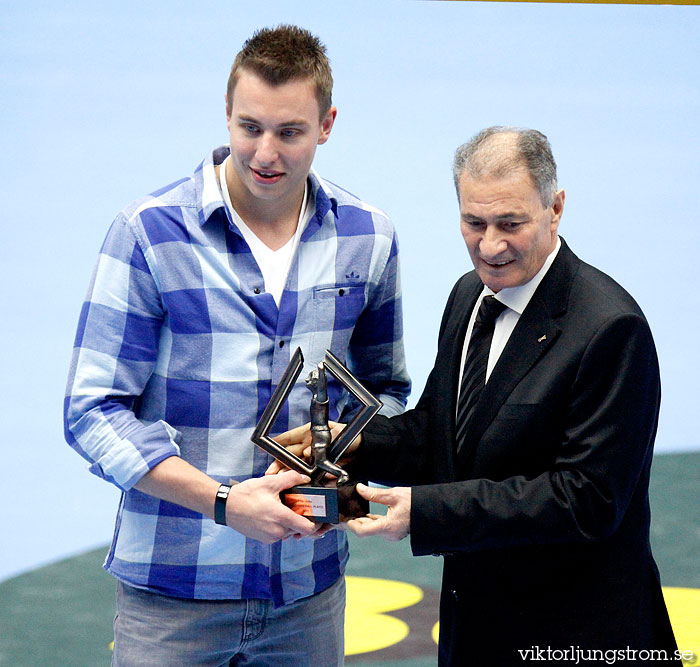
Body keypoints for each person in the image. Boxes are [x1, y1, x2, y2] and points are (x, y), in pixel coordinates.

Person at [63, 25, 409, 666]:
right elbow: (92, 411)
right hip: (171, 597)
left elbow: (385, 392)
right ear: (226, 113)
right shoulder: (147, 234)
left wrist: (344, 449)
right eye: (249, 127)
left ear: (327, 124)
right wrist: (223, 503)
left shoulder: (369, 237)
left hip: (308, 593)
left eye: (290, 132)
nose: (265, 153)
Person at [277, 127, 678, 665]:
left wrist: (426, 513)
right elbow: (441, 435)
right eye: (474, 222)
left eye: (511, 224)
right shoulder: (470, 296)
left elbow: (586, 499)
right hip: (475, 630)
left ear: (555, 208)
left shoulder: (610, 329)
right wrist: (351, 446)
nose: (490, 246)